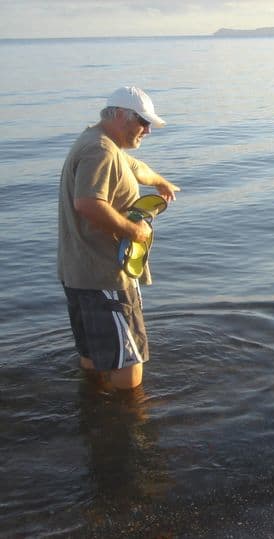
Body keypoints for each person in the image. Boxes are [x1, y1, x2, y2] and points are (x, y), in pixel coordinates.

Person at [58, 86, 180, 390]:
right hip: (106, 278)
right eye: (143, 121)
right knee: (129, 369)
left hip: (80, 274)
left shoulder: (100, 143)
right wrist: (135, 230)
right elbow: (88, 204)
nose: (148, 130)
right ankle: (129, 427)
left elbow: (135, 168)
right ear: (120, 115)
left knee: (93, 359)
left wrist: (160, 181)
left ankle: (94, 415)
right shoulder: (100, 150)